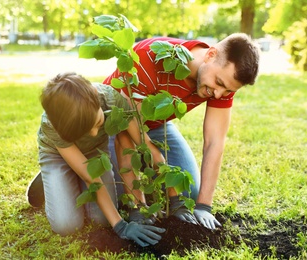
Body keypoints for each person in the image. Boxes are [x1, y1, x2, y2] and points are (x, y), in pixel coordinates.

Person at [104, 33, 260, 230]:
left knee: (188, 194)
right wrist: (159, 163)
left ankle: (152, 181)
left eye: (228, 91)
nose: (220, 94)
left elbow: (215, 141)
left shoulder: (225, 80)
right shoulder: (148, 57)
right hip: (114, 123)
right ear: (211, 54)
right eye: (219, 83)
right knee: (110, 203)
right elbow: (127, 128)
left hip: (156, 124)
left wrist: (204, 206)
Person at [35, 72, 165, 247]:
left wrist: (172, 197)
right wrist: (121, 227)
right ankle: (54, 176)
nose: (95, 134)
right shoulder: (53, 123)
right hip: (57, 155)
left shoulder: (112, 101)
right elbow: (91, 176)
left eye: (97, 124)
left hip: (95, 153)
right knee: (66, 226)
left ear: (95, 97)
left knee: (102, 220)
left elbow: (145, 144)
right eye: (86, 130)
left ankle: (67, 179)